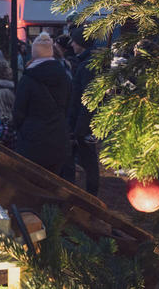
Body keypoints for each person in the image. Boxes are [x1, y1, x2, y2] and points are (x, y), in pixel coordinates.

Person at [13, 32, 71, 174]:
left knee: (32, 182)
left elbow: (19, 112)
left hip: (32, 138)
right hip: (58, 137)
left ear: (34, 54)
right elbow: (69, 106)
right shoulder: (65, 76)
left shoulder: (28, 79)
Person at [62, 26, 100, 196]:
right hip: (83, 123)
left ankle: (89, 197)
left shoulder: (87, 66)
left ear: (81, 43)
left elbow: (85, 99)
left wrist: (79, 129)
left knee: (89, 163)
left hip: (83, 125)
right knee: (86, 162)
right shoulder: (88, 63)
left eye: (74, 41)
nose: (72, 44)